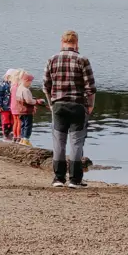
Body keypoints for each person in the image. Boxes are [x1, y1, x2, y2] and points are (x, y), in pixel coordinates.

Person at [44, 30, 96, 189]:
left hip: (58, 105)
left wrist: (51, 103)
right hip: (78, 105)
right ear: (77, 42)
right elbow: (91, 87)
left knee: (59, 143)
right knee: (76, 143)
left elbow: (46, 85)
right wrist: (90, 105)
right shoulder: (83, 60)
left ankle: (58, 178)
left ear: (62, 42)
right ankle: (75, 179)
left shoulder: (52, 60)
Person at [10, 70, 44, 146]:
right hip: (27, 111)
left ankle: (22, 138)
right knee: (28, 125)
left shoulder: (19, 88)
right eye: (30, 82)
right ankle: (26, 139)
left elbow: (20, 99)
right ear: (26, 81)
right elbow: (28, 101)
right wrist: (36, 102)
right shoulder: (25, 90)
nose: (30, 83)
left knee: (22, 124)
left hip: (20, 111)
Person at [0, 69, 16, 140]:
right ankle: (5, 133)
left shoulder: (15, 85)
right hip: (4, 106)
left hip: (13, 107)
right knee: (5, 120)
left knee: (14, 120)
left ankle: (12, 132)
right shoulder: (3, 85)